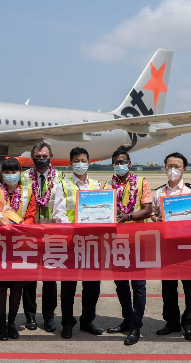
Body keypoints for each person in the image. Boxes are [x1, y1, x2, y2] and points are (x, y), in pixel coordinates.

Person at [52, 147, 105, 339]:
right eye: (76, 161)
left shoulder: (97, 185)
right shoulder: (63, 185)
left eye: (83, 160)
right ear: (70, 163)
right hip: (71, 242)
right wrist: (75, 230)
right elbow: (58, 214)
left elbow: (104, 211)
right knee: (68, 286)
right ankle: (67, 323)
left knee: (92, 286)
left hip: (92, 243)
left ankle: (87, 320)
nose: (80, 164)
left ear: (89, 163)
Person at [104, 149, 153, 346]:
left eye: (123, 161)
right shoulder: (107, 186)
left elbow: (148, 210)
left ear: (129, 163)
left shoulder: (142, 183)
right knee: (121, 284)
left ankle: (136, 326)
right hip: (117, 242)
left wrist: (128, 217)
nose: (120, 165)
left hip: (138, 241)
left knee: (138, 285)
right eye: (116, 162)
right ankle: (127, 319)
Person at [0, 157, 36, 341]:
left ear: (20, 173)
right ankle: (1, 323)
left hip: (20, 244)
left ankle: (12, 323)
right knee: (0, 287)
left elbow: (31, 216)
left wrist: (19, 226)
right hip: (0, 244)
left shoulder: (28, 193)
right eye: (6, 172)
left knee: (17, 287)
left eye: (14, 172)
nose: (10, 175)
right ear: (2, 174)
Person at [153, 152, 191, 341]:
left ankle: (190, 324)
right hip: (167, 245)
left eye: (177, 167)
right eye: (169, 166)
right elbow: (152, 214)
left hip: (188, 245)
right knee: (168, 286)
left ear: (184, 169)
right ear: (165, 168)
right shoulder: (159, 192)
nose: (173, 170)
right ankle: (171, 321)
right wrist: (157, 219)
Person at [20, 141, 63, 332]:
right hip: (29, 235)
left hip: (51, 236)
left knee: (50, 279)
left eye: (45, 157)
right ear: (32, 158)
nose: (41, 160)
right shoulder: (23, 178)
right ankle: (30, 315)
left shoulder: (61, 178)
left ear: (51, 157)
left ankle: (49, 316)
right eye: (37, 157)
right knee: (28, 278)